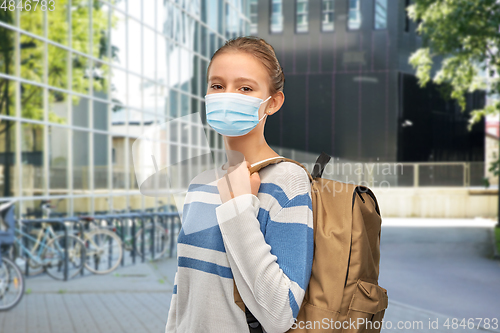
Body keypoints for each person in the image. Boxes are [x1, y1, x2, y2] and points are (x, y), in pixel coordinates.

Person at [165, 36, 314, 333]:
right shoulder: (201, 184)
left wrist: (239, 208)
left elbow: (280, 314)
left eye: (245, 88)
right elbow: (184, 292)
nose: (226, 95)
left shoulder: (289, 182)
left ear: (272, 103)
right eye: (217, 85)